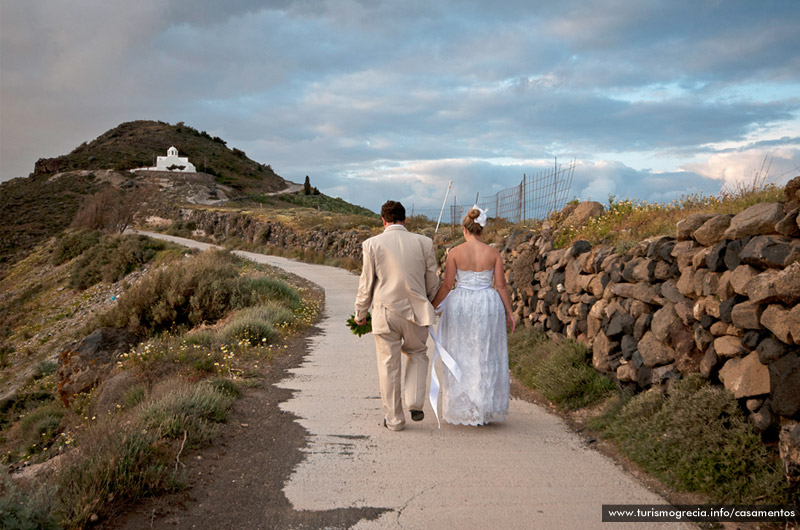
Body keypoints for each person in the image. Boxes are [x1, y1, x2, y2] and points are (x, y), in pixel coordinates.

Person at [355, 200, 439, 431]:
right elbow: (432, 279)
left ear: (383, 221)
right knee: (418, 353)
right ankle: (414, 402)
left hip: (385, 312)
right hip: (416, 311)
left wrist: (361, 312)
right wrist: (428, 301)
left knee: (388, 365)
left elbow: (367, 282)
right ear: (405, 219)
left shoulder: (371, 244)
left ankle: (394, 420)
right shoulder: (424, 242)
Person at [431, 206, 515, 426]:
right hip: (488, 303)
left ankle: (465, 405)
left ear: (464, 229)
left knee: (461, 351)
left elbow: (448, 285)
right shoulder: (493, 253)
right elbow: (502, 286)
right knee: (486, 352)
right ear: (481, 230)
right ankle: (484, 405)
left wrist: (432, 306)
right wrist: (510, 312)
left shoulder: (455, 253)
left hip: (462, 304)